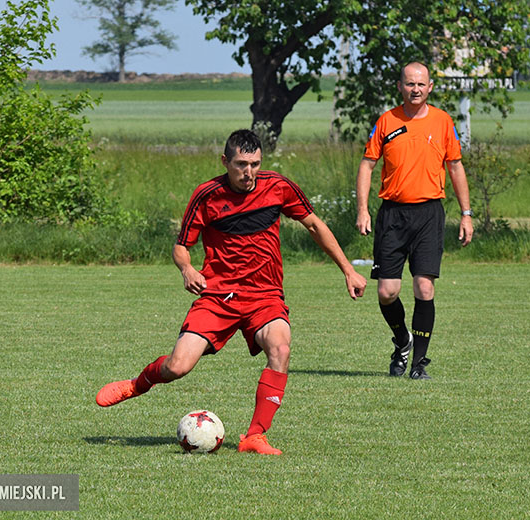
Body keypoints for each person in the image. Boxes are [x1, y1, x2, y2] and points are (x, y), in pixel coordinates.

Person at [96, 129, 367, 455]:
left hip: (264, 296)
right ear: (225, 161)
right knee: (178, 366)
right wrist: (187, 269)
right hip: (218, 297)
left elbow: (314, 225)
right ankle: (137, 385)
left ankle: (255, 436)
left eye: (254, 164)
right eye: (241, 164)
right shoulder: (207, 195)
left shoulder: (278, 187)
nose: (248, 172)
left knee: (280, 349)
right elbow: (181, 247)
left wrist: (349, 271)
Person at [355, 61, 473, 380]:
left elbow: (456, 168)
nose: (415, 89)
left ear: (430, 87)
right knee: (387, 292)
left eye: (421, 84)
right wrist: (363, 209)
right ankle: (402, 340)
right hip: (392, 214)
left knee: (424, 287)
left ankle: (419, 364)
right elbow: (367, 166)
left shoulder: (443, 121)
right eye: (410, 84)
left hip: (429, 214)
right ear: (400, 87)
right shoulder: (386, 121)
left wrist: (466, 213)